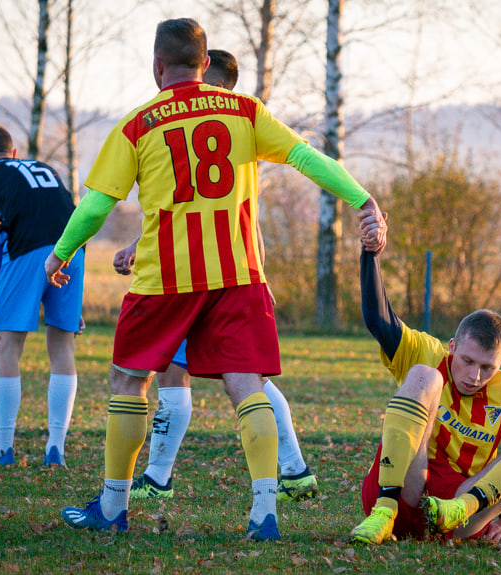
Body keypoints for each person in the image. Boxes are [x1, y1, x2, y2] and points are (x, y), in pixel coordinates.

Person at [44, 18, 386, 540]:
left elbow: (96, 205)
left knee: (128, 382)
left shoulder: (139, 123)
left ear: (158, 66)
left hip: (165, 279)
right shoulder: (246, 111)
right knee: (247, 386)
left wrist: (61, 254)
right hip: (239, 275)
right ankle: (264, 515)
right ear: (206, 64)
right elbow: (305, 157)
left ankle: (113, 508)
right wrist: (362, 199)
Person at [113, 49, 317, 504]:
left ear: (215, 83)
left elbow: (196, 220)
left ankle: (159, 478)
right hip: (232, 278)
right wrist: (137, 247)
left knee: (193, 374)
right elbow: (186, 218)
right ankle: (293, 472)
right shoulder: (238, 134)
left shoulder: (220, 123)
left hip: (197, 283)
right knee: (246, 379)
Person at [349, 247, 501, 545]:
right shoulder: (427, 352)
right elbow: (378, 319)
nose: (474, 376)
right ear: (452, 346)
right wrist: (371, 252)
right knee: (425, 376)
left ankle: (458, 509)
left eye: (486, 367)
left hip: (459, 513)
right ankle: (383, 511)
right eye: (467, 361)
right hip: (405, 490)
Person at [0, 124, 84, 468]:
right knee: (62, 346)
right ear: (14, 152)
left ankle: (2, 450)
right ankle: (55, 448)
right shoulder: (43, 167)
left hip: (28, 251)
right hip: (72, 249)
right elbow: (68, 215)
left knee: (8, 346)